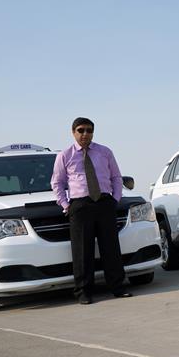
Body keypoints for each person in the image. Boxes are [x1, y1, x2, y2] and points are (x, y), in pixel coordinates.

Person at [51, 117, 132, 304]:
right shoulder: (65, 156)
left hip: (105, 203)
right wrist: (66, 205)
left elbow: (116, 178)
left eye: (89, 130)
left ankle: (118, 288)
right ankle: (84, 293)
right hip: (80, 206)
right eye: (81, 130)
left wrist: (115, 200)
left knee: (110, 248)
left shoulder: (105, 152)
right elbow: (57, 183)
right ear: (73, 132)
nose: (85, 134)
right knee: (82, 252)